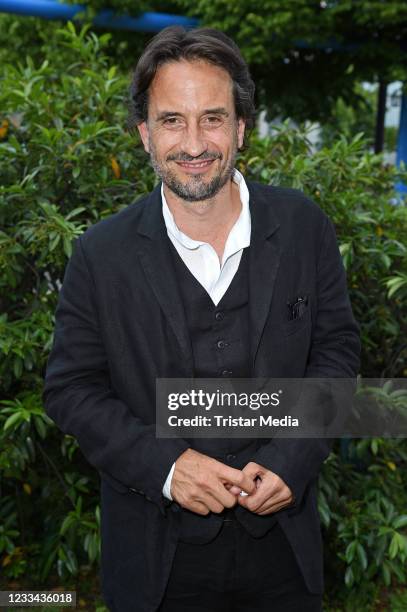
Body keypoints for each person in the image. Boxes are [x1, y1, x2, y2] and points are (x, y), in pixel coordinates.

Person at [43, 26, 361, 612]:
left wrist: (295, 456)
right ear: (144, 134)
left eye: (212, 118)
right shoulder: (101, 253)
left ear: (241, 128)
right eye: (171, 120)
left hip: (285, 554)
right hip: (156, 561)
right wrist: (165, 467)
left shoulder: (302, 227)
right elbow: (72, 389)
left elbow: (336, 353)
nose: (194, 142)